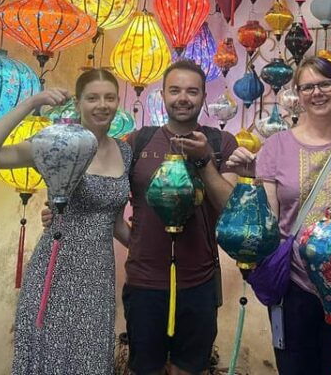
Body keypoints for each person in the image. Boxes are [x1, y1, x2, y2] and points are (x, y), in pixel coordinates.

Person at [44, 59, 238, 375]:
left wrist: (204, 161)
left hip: (200, 282)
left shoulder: (220, 143)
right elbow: (105, 199)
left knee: (189, 369)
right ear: (162, 95)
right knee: (144, 369)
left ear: (204, 96)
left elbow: (231, 208)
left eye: (192, 91)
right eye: (174, 90)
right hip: (145, 282)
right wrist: (64, 211)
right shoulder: (137, 142)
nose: (183, 98)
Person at [0, 68, 130, 374]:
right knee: (49, 360)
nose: (102, 105)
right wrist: (30, 104)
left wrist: (156, 252)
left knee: (91, 362)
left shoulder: (125, 151)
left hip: (98, 278)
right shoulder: (56, 144)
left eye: (110, 98)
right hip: (56, 270)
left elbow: (116, 223)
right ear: (79, 103)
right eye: (92, 98)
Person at [226, 56, 331, 375]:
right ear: (297, 94)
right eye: (308, 86)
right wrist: (247, 182)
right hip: (293, 287)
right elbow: (267, 225)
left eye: (325, 84)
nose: (317, 93)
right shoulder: (275, 147)